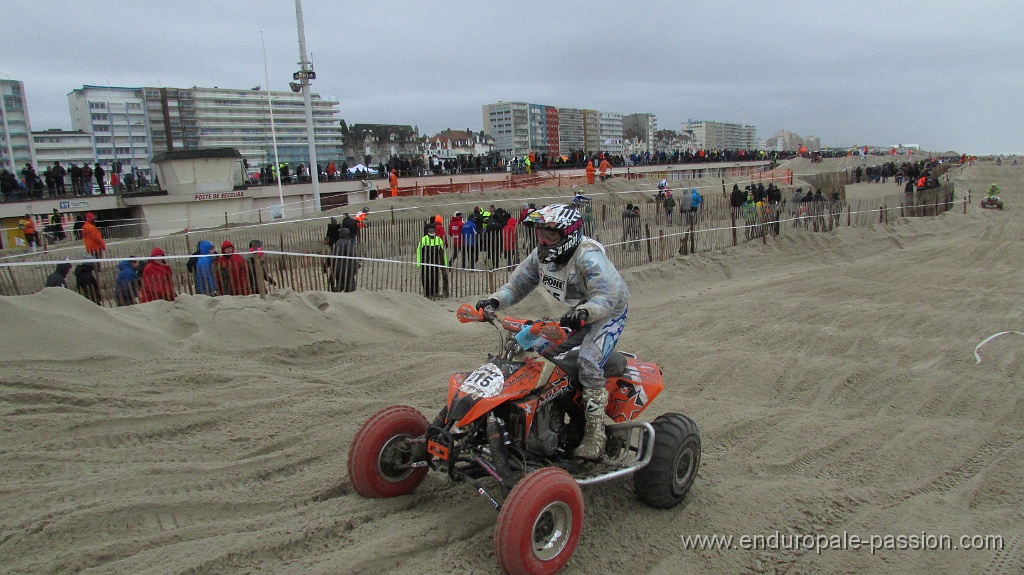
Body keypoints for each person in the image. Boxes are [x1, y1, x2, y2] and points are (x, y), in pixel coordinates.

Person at [477, 204, 630, 460]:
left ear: (569, 235)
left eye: (551, 236)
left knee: (588, 361)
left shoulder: (588, 257)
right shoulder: (540, 256)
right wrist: (494, 301)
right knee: (537, 353)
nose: (543, 241)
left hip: (608, 312)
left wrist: (585, 312)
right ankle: (546, 416)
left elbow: (607, 296)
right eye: (540, 234)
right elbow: (516, 286)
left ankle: (595, 434)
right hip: (580, 311)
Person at [417, 222, 447, 299]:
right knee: (425, 276)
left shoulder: (439, 240)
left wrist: (445, 264)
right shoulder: (423, 240)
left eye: (433, 230)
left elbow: (443, 253)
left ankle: (435, 292)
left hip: (436, 262)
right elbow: (419, 251)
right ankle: (427, 293)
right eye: (430, 231)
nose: (432, 232)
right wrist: (418, 263)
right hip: (425, 261)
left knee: (436, 276)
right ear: (427, 231)